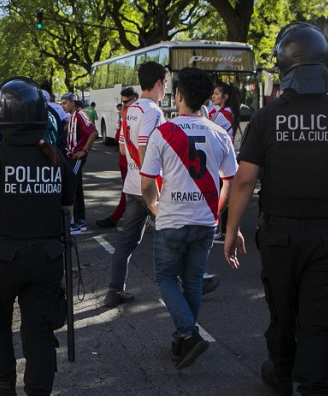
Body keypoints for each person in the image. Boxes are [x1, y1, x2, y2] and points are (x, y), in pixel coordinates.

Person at [224, 22, 328, 396]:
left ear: (283, 66)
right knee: (321, 319)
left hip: (280, 236)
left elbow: (244, 180)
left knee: (283, 310)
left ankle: (282, 374)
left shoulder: (266, 117)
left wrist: (231, 230)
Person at [0, 76, 75, 396]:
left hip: (1, 258)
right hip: (46, 258)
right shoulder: (57, 159)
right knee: (40, 333)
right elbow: (66, 211)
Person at [141, 67, 238, 369]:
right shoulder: (220, 133)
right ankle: (183, 341)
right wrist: (217, 210)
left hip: (171, 219)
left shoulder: (163, 133)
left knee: (166, 278)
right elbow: (230, 182)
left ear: (179, 95)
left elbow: (146, 183)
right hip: (204, 221)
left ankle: (188, 333)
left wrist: (154, 206)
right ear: (209, 98)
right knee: (193, 282)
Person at [102, 63, 166, 307]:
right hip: (147, 184)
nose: (166, 89)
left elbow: (121, 147)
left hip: (131, 183)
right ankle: (189, 281)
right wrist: (150, 179)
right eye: (166, 84)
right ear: (159, 83)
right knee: (172, 232)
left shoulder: (129, 110)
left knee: (128, 241)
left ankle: (115, 289)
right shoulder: (153, 111)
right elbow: (143, 147)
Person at [96, 88, 139, 228]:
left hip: (131, 161)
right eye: (122, 102)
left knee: (128, 192)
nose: (123, 105)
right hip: (125, 161)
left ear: (134, 100)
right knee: (130, 192)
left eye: (126, 102)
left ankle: (115, 218)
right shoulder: (126, 115)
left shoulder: (134, 115)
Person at [60, 92, 98, 234]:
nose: (63, 106)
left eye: (65, 103)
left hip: (76, 158)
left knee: (71, 187)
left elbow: (93, 132)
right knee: (77, 188)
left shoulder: (80, 115)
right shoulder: (73, 117)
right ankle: (80, 220)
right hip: (72, 157)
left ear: (73, 102)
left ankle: (75, 222)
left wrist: (84, 150)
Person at [209, 82, 241, 244]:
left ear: (225, 97)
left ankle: (225, 231)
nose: (213, 96)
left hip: (224, 159)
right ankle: (224, 230)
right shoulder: (224, 112)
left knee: (224, 195)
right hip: (225, 158)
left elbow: (207, 128)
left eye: (216, 94)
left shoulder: (224, 114)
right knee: (225, 193)